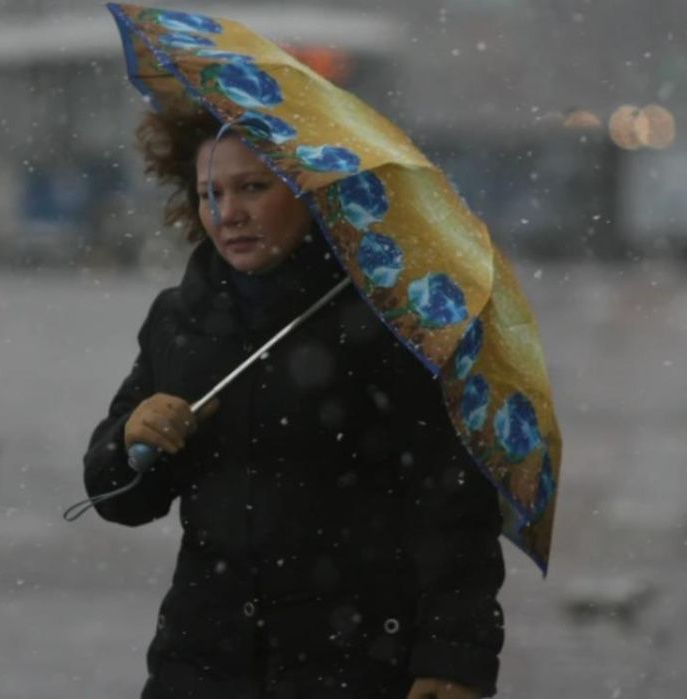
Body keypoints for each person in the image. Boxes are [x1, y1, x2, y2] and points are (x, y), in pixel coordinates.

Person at [82, 106, 506, 699]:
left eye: (253, 188)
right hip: (202, 664)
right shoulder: (180, 320)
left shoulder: (389, 322)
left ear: (311, 191)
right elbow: (118, 499)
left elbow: (450, 500)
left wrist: (454, 657)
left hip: (353, 664)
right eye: (209, 194)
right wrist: (132, 438)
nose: (228, 213)